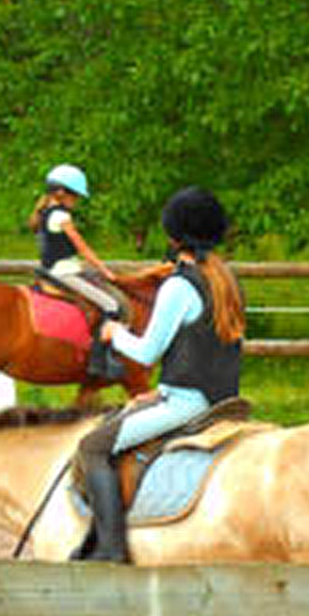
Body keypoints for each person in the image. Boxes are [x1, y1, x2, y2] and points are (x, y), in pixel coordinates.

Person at [70, 187, 244, 563]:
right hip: (222, 399)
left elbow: (147, 352)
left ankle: (111, 549)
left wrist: (116, 335)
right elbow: (203, 350)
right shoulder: (225, 279)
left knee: (92, 448)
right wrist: (161, 391)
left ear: (173, 235)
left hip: (188, 405)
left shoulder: (178, 286)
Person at [30, 163, 128, 377]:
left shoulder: (45, 213)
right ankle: (100, 361)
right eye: (74, 195)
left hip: (58, 269)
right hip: (64, 273)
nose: (77, 200)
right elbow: (82, 247)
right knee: (111, 305)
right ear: (60, 192)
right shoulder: (61, 217)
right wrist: (105, 271)